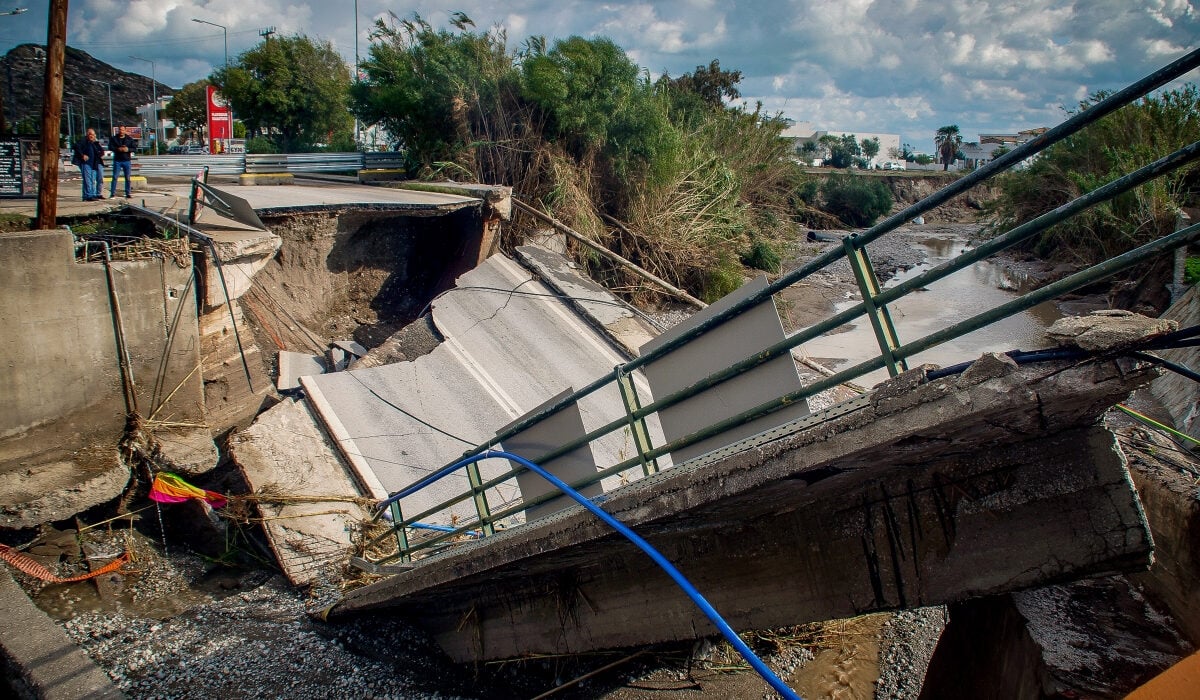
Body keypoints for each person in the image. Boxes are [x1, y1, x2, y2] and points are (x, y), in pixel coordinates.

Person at [71, 128, 105, 201]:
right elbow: (75, 146)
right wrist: (82, 155)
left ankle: (91, 194)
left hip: (94, 164)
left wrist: (100, 154)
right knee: (88, 180)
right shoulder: (83, 141)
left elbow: (101, 151)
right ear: (87, 135)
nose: (91, 136)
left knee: (92, 180)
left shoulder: (95, 143)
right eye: (90, 134)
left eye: (93, 134)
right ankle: (88, 195)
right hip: (86, 163)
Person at [107, 125, 137, 199]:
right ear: (118, 130)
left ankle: (128, 193)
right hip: (117, 160)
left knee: (127, 178)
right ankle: (112, 194)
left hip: (127, 160)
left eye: (123, 130)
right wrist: (118, 149)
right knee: (115, 177)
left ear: (125, 130)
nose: (121, 131)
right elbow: (110, 147)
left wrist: (128, 149)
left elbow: (134, 148)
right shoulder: (114, 139)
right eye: (120, 130)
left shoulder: (129, 139)